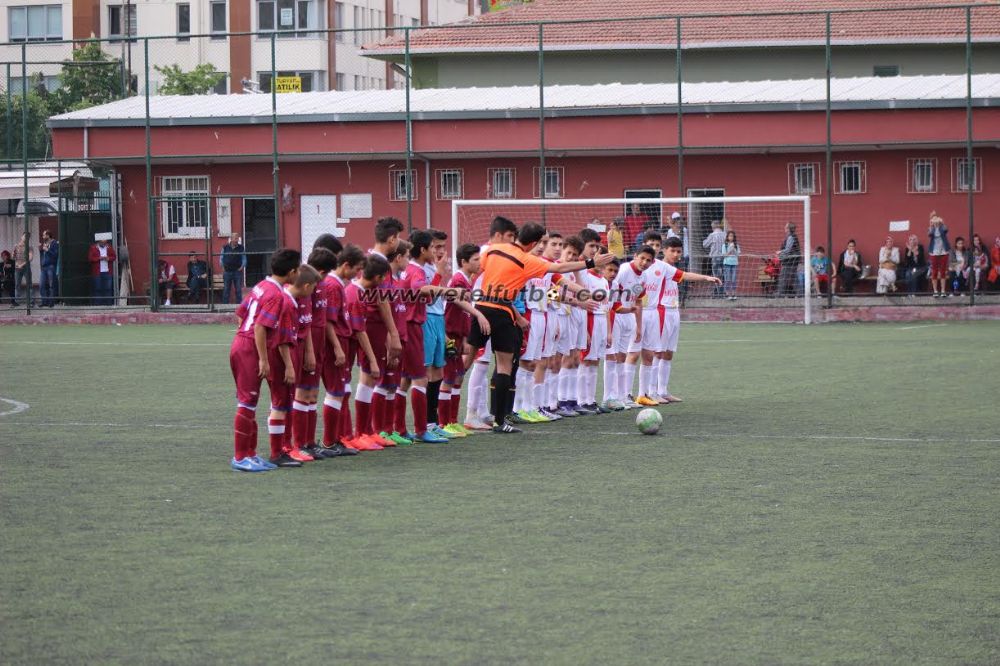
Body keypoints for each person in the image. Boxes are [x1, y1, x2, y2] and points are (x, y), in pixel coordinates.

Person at [468, 220, 615, 434]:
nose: (551, 247)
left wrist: (582, 295)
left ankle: (531, 406)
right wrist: (587, 270)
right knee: (495, 364)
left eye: (556, 243)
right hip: (519, 313)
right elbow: (541, 291)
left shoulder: (515, 256)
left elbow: (555, 286)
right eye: (549, 243)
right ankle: (496, 411)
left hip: (535, 314)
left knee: (540, 363)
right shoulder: (527, 260)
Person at [228, 248, 302, 472]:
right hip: (250, 347)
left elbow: (240, 313)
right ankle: (241, 457)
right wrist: (262, 359)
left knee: (251, 402)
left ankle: (250, 453)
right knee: (247, 402)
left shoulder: (261, 285)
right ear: (291, 272)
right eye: (297, 270)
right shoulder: (276, 295)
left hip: (242, 343)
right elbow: (260, 327)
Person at [606, 244, 650, 409]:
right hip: (616, 315)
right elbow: (611, 294)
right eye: (642, 258)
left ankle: (623, 396)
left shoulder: (643, 277)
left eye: (648, 260)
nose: (644, 262)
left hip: (629, 317)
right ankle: (612, 396)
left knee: (622, 357)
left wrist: (639, 326)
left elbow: (638, 300)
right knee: (613, 355)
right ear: (635, 255)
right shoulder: (623, 270)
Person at [88, 235, 116, 305]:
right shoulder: (93, 248)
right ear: (99, 242)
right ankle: (98, 305)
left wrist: (108, 258)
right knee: (98, 289)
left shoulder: (109, 247)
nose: (104, 244)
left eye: (105, 243)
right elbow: (90, 258)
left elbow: (114, 256)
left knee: (108, 289)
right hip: (97, 272)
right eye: (102, 243)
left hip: (107, 272)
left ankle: (108, 305)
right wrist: (99, 258)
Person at [927, 212, 950, 297]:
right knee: (934, 271)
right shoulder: (931, 228)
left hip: (944, 251)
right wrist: (931, 225)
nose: (935, 220)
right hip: (934, 252)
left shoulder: (942, 227)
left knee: (943, 271)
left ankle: (943, 290)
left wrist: (942, 223)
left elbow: (946, 230)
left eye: (936, 218)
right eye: (933, 219)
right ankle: (935, 291)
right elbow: (929, 234)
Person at [702, 220, 726, 298]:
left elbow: (705, 245)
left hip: (715, 257)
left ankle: (718, 293)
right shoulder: (725, 234)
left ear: (713, 226)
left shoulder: (712, 235)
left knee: (716, 275)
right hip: (724, 257)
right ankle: (720, 291)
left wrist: (704, 240)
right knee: (722, 275)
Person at [220, 234, 246, 304]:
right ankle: (225, 306)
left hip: (237, 272)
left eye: (237, 238)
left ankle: (239, 306)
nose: (236, 240)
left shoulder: (241, 248)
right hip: (227, 272)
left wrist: (242, 267)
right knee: (226, 290)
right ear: (231, 239)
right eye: (234, 238)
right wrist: (222, 267)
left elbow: (244, 258)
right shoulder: (225, 247)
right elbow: (221, 258)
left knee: (238, 290)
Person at [776, 222, 800, 296]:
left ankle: (780, 293)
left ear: (789, 229)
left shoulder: (791, 237)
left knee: (783, 277)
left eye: (786, 227)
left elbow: (788, 250)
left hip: (790, 261)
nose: (784, 228)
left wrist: (779, 252)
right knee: (793, 278)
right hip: (793, 261)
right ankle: (800, 293)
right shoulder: (792, 236)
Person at [12, 232, 33, 307]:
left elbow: (30, 258)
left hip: (26, 268)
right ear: (22, 236)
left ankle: (31, 302)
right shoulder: (16, 246)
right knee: (17, 285)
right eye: (25, 236)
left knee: (29, 284)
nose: (26, 238)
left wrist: (22, 264)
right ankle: (16, 302)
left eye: (28, 237)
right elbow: (13, 257)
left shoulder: (29, 247)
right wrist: (13, 254)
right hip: (17, 268)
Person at [39, 230, 59, 307]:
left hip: (51, 266)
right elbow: (44, 255)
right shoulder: (45, 243)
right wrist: (40, 250)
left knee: (51, 285)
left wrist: (48, 250)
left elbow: (55, 255)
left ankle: (51, 303)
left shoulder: (54, 243)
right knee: (42, 285)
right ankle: (44, 302)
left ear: (48, 235)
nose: (43, 237)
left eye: (44, 235)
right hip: (44, 267)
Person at [722, 230, 740, 300]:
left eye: (732, 236)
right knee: (727, 279)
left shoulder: (736, 245)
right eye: (729, 236)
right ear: (727, 237)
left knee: (734, 279)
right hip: (727, 263)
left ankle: (734, 294)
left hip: (734, 263)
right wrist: (730, 249)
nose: (731, 237)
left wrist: (734, 249)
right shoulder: (724, 245)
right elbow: (724, 255)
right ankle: (727, 294)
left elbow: (738, 254)